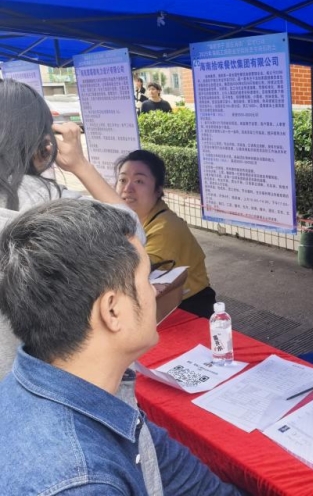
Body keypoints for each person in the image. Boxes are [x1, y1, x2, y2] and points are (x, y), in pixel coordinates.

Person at [0, 200, 242, 495]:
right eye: (147, 279)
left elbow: (192, 482)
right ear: (112, 311)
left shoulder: (87, 390)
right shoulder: (82, 482)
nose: (156, 290)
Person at [0, 78, 135, 376]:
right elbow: (132, 235)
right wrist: (79, 165)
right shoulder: (51, 203)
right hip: (35, 382)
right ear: (42, 142)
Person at [116, 149, 217, 318]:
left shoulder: (166, 227)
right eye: (122, 180)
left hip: (189, 307)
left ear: (158, 190)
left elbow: (134, 273)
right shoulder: (127, 218)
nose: (127, 188)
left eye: (139, 181)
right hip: (156, 301)